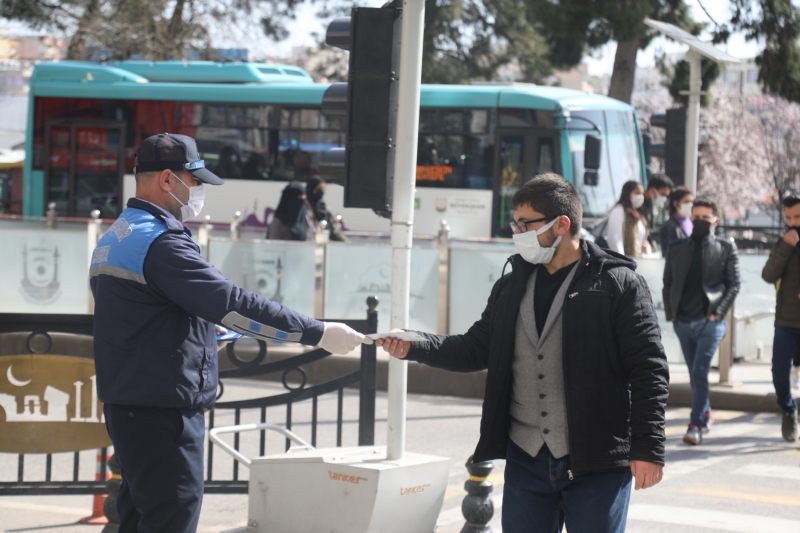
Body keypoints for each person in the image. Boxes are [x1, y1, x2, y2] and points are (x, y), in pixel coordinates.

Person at [89, 133, 369, 533]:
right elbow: (234, 303)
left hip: (130, 405)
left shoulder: (117, 235)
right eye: (195, 181)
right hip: (162, 411)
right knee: (172, 518)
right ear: (167, 179)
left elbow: (141, 318)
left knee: (136, 520)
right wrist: (318, 332)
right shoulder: (162, 243)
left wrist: (204, 331)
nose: (199, 191)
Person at [378, 174, 668, 533]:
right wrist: (415, 344)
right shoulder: (511, 284)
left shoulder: (618, 284)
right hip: (526, 461)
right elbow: (475, 348)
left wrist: (648, 448)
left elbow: (649, 369)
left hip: (597, 462)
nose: (517, 232)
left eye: (525, 224)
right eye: (515, 223)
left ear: (562, 224)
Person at [662, 199, 740, 445]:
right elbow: (668, 283)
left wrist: (717, 314)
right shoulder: (676, 247)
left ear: (715, 220)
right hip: (683, 323)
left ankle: (695, 425)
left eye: (705, 218)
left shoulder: (725, 248)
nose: (699, 222)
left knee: (698, 372)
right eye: (696, 217)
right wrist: (672, 315)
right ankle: (705, 413)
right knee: (695, 374)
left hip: (711, 323)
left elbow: (734, 284)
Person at [761, 195, 800, 442]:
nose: (792, 222)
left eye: (797, 217)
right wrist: (786, 246)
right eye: (788, 218)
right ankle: (788, 409)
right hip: (785, 321)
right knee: (779, 373)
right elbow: (768, 275)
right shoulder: (783, 243)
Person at [606, 180, 650, 257]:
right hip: (625, 261)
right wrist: (622, 260)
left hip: (638, 260)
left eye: (642, 194)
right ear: (627, 194)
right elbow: (615, 240)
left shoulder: (639, 216)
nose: (640, 197)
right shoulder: (618, 211)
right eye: (637, 193)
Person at [306, 175, 348, 242]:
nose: (321, 191)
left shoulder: (322, 205)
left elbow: (332, 228)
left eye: (322, 189)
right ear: (312, 188)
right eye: (319, 189)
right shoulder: (306, 206)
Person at [659, 186, 694, 255]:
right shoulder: (668, 227)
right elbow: (667, 253)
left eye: (692, 202)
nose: (690, 205)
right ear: (676, 204)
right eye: (686, 202)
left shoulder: (692, 222)